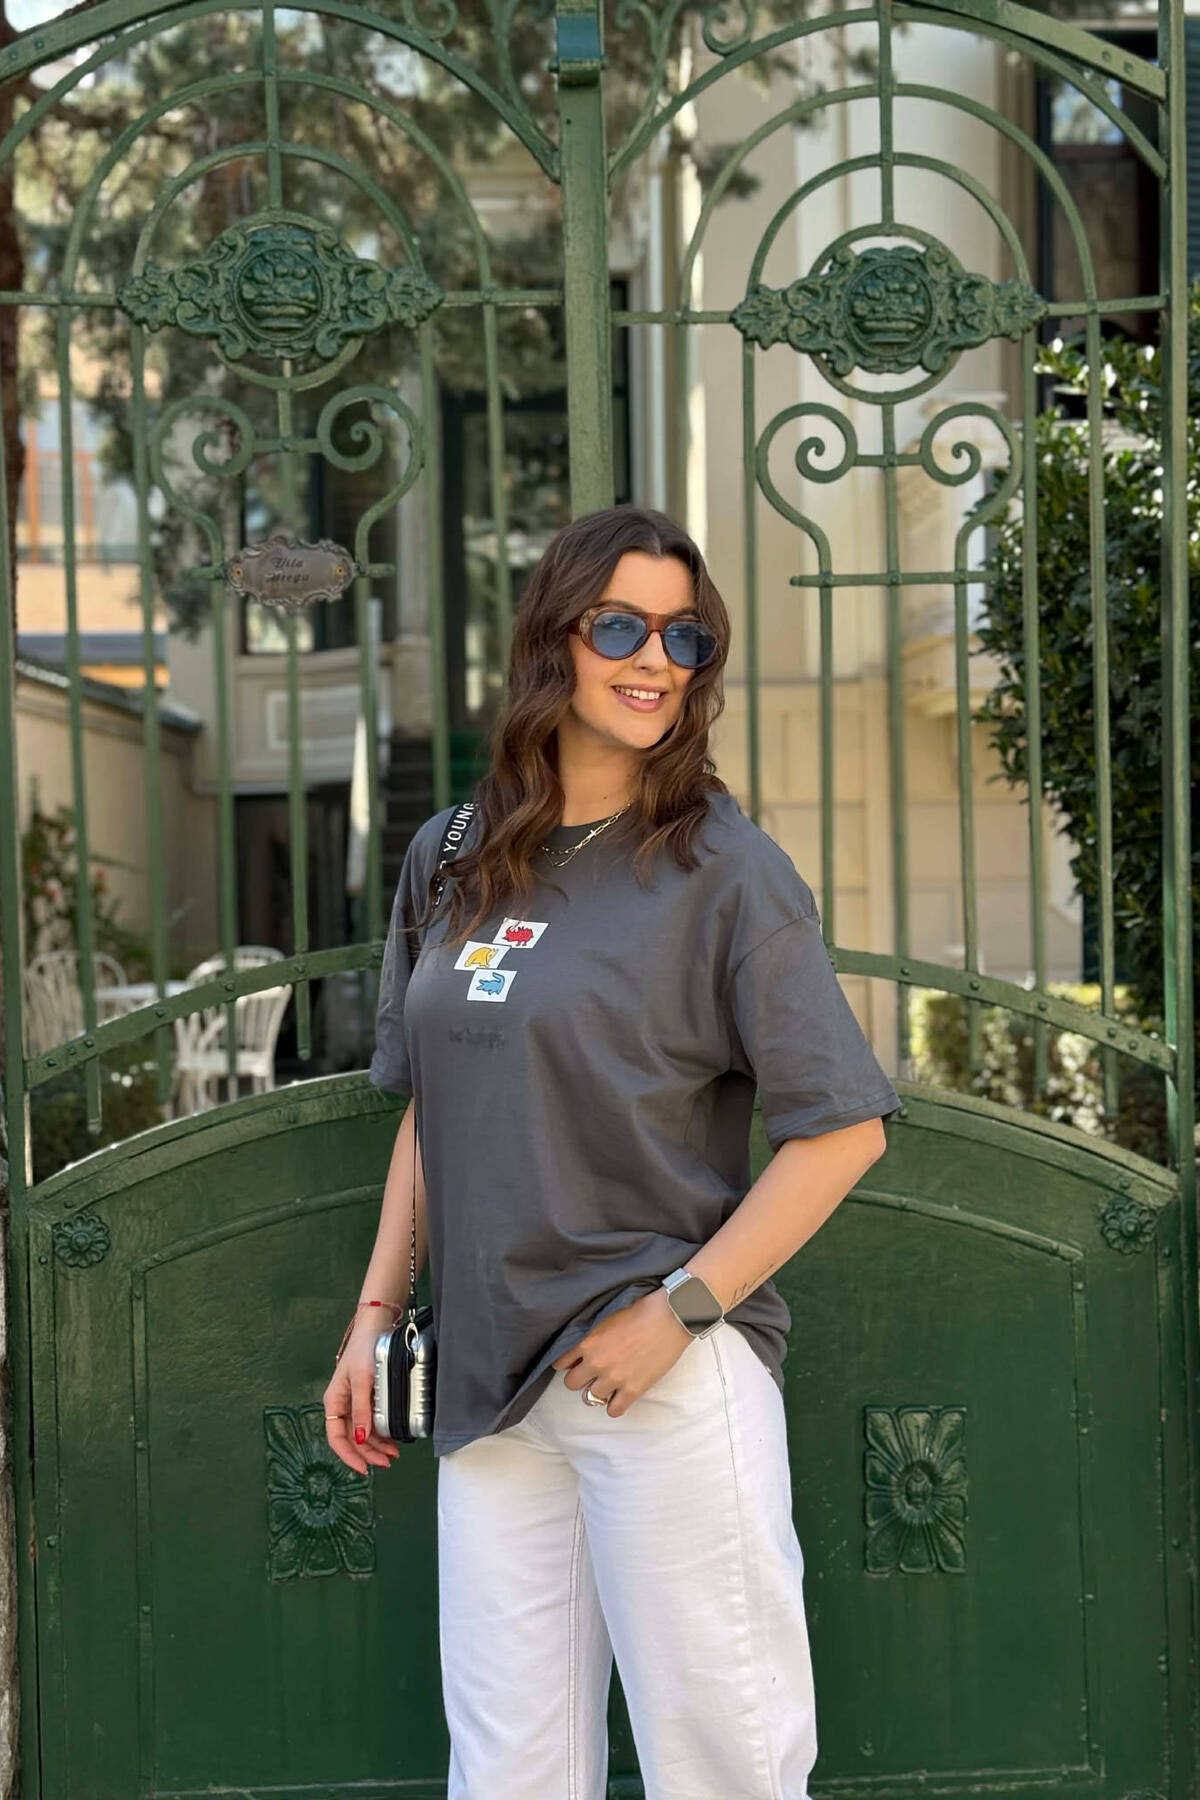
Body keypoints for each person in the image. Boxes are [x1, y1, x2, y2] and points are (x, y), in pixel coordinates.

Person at [324, 504, 901, 1800]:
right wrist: (373, 1319)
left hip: (659, 1379)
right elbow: (430, 1111)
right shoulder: (453, 854)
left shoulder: (726, 870)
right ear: (554, 639)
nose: (655, 661)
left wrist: (679, 1312)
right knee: (509, 1773)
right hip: (490, 1389)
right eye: (622, 627)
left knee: (727, 1765)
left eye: (685, 637)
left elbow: (842, 1131)